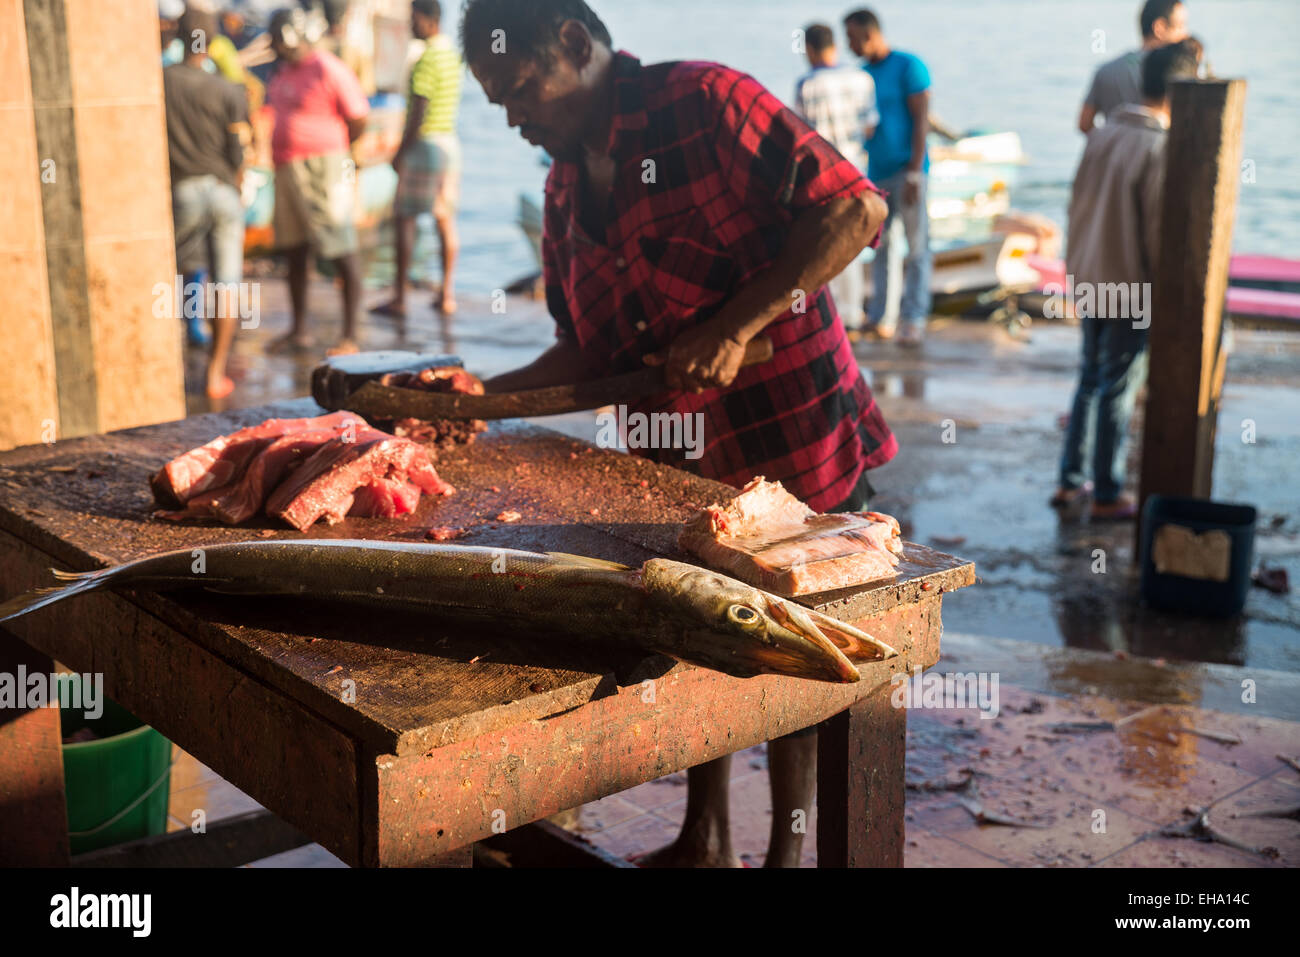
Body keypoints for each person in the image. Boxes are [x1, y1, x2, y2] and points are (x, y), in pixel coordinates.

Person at [460, 0, 894, 867]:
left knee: (794, 647)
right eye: (497, 102)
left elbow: (854, 212)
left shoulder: (706, 102)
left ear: (576, 46)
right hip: (672, 465)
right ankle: (705, 835)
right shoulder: (560, 189)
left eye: (520, 91)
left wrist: (737, 324)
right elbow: (584, 352)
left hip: (793, 437)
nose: (512, 119)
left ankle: (784, 855)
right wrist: (469, 396)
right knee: (695, 635)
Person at [1052, 40, 1201, 520]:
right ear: (1181, 90)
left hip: (1090, 274)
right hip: (1130, 287)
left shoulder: (1102, 133)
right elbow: (1159, 234)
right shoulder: (1157, 146)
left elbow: (1076, 207)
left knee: (1089, 380)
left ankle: (1071, 480)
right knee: (1117, 388)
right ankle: (1108, 492)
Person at [265, 6, 370, 355]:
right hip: (286, 168)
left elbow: (358, 116)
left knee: (340, 246)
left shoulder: (327, 68)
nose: (278, 48)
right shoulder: (283, 72)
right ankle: (299, 331)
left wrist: (336, 150)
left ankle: (350, 337)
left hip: (323, 167)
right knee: (294, 250)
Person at [163, 5, 252, 399]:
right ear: (212, 43)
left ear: (179, 38)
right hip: (223, 191)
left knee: (182, 274)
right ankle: (215, 375)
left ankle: (176, 359)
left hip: (182, 190)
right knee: (227, 283)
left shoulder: (161, 83)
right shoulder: (228, 91)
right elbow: (238, 154)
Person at [844, 8, 931, 346]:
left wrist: (914, 172)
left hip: (908, 172)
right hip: (876, 175)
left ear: (868, 34)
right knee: (882, 247)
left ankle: (914, 318)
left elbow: (922, 119)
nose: (849, 46)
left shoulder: (909, 66)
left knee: (918, 247)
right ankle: (882, 317)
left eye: (852, 38)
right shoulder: (861, 76)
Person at [374, 0, 464, 327]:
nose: (410, 25)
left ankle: (399, 297)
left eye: (413, 19)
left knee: (405, 218)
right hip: (449, 144)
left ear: (428, 20)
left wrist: (400, 151)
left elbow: (418, 110)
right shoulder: (453, 54)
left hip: (424, 144)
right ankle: (448, 294)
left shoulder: (426, 57)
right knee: (444, 218)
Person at [794, 22, 878, 332]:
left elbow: (800, 135)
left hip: (821, 177)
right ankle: (853, 313)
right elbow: (870, 127)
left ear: (810, 50)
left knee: (822, 245)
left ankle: (827, 316)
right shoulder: (862, 79)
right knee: (852, 244)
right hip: (855, 173)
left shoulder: (807, 84)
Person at [1077, 0, 1189, 133]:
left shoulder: (1105, 71)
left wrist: (1109, 142)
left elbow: (1084, 124)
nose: (1185, 35)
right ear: (1160, 27)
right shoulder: (1179, 72)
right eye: (1181, 26)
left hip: (1116, 151)